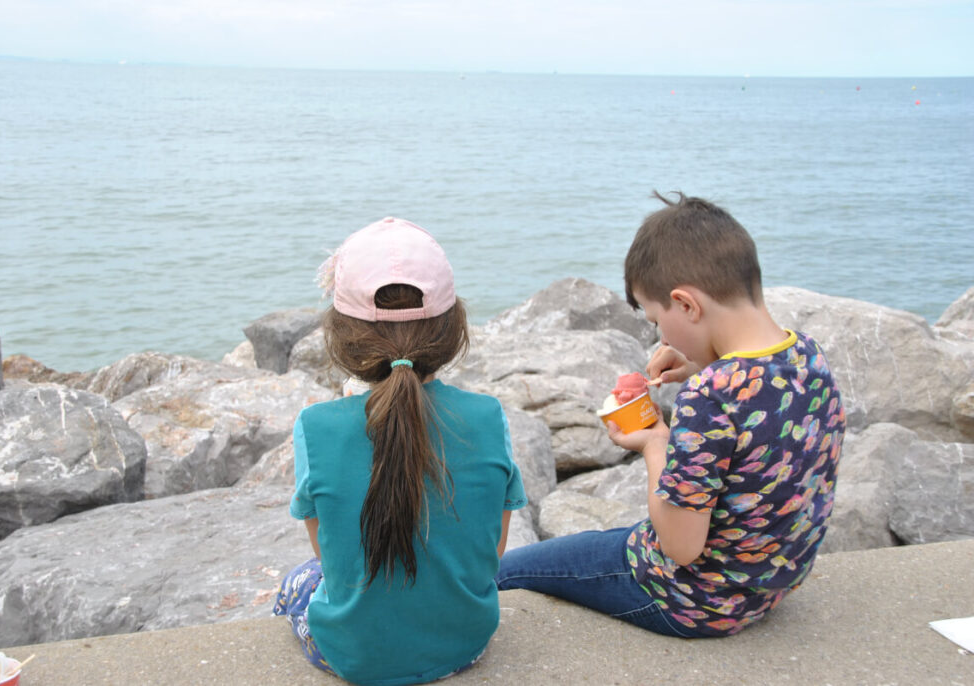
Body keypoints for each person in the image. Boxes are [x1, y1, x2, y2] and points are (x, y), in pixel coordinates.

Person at [496, 191, 846, 637]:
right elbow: (761, 411)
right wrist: (700, 363)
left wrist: (653, 443)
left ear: (686, 304)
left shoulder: (711, 396)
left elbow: (680, 545)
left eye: (657, 320)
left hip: (691, 601)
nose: (660, 334)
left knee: (513, 569)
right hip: (770, 584)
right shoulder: (807, 355)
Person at [273, 216, 527, 684]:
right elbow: (488, 556)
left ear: (342, 337)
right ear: (452, 330)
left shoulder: (316, 427)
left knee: (298, 582)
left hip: (353, 657)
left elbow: (332, 564)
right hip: (466, 646)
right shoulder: (488, 417)